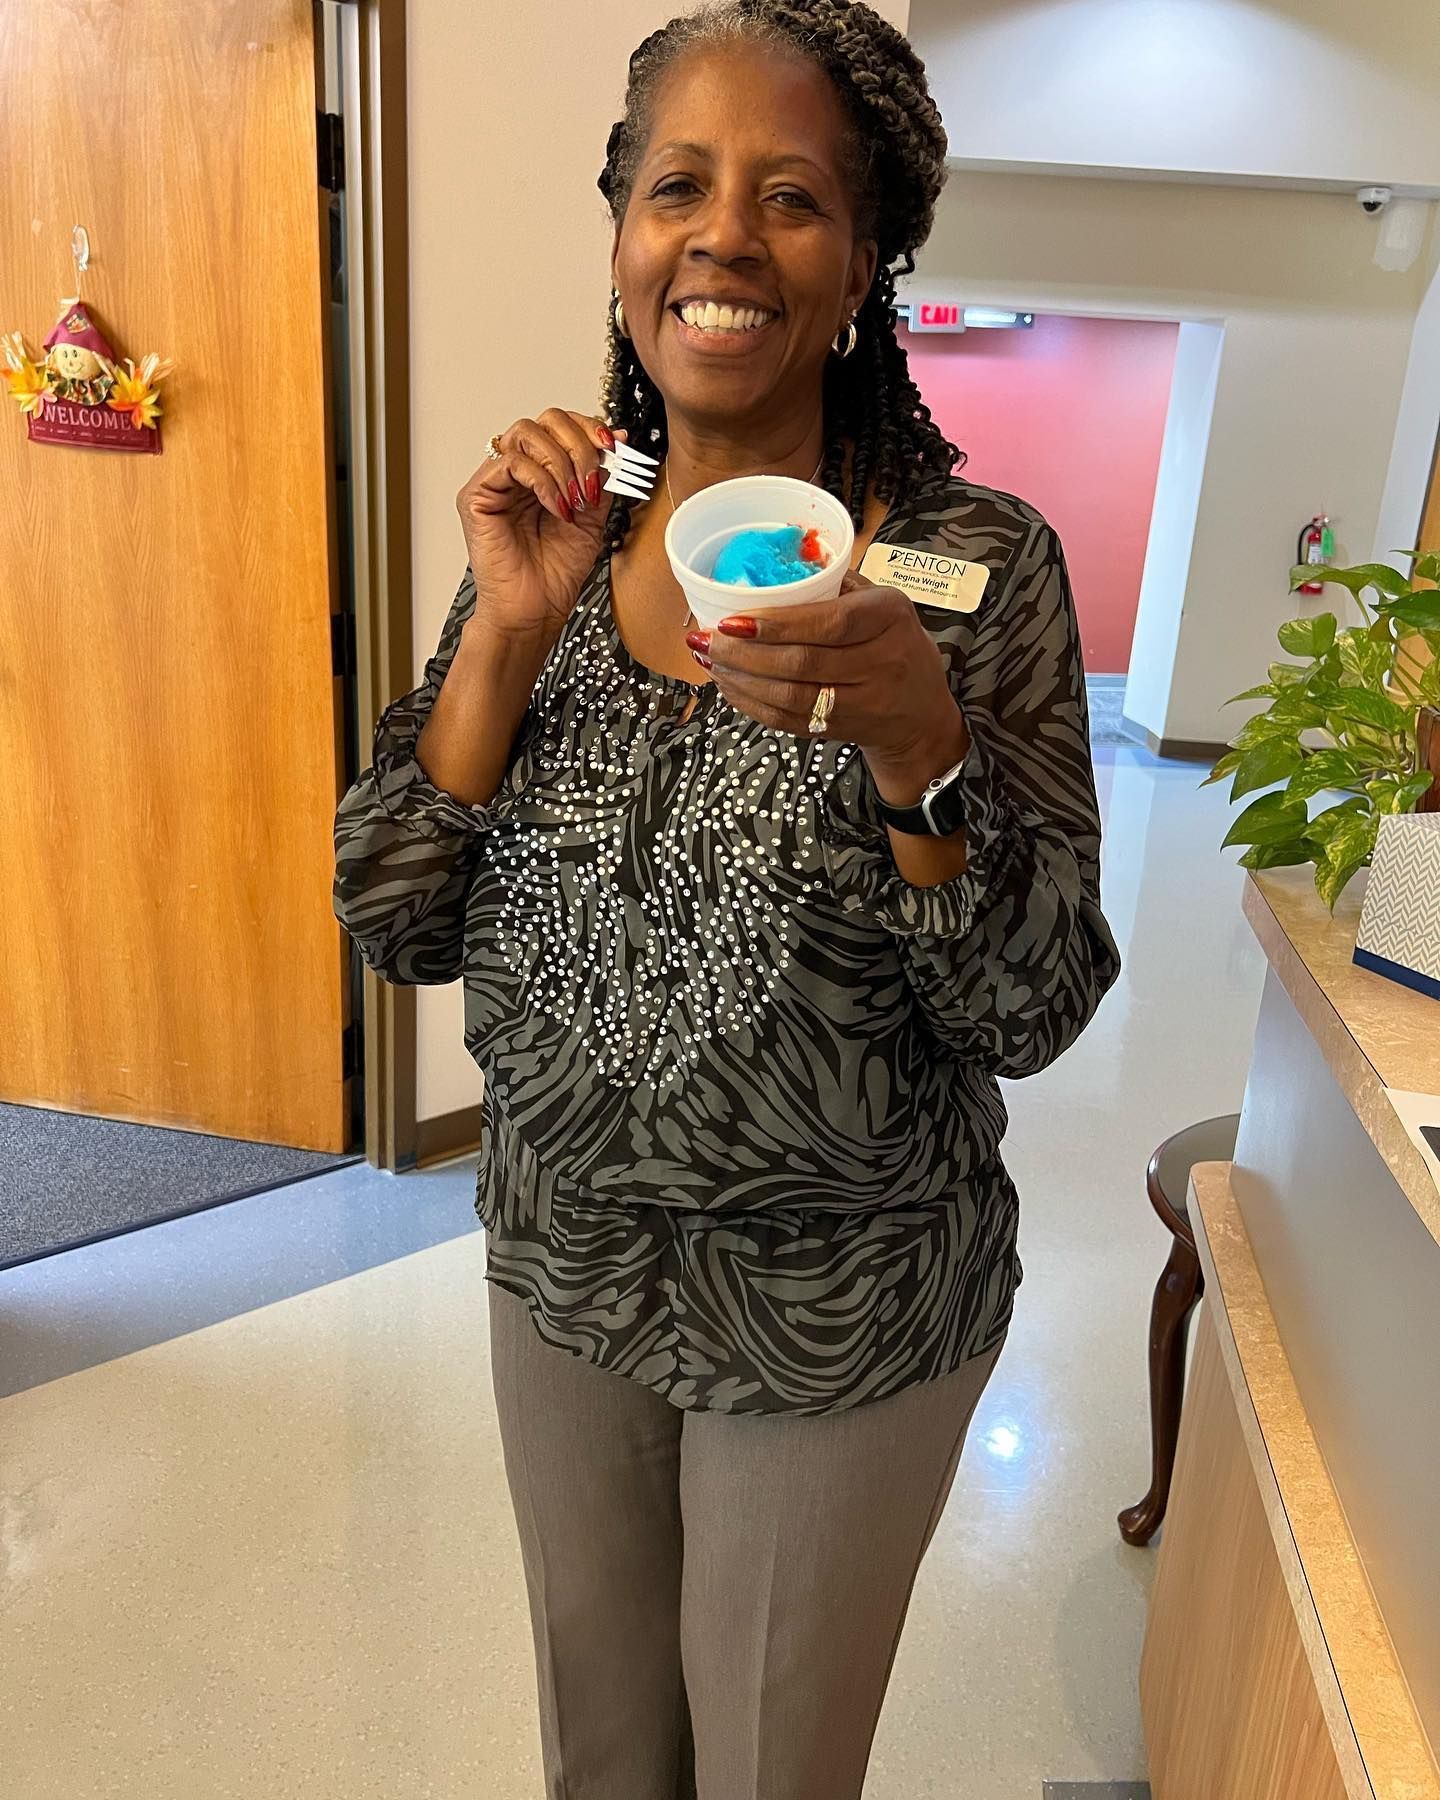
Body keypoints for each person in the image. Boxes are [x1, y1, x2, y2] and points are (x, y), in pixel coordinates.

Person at [334, 3, 1119, 1794]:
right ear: (621, 239)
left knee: (767, 1766)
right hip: (567, 1272)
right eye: (678, 185)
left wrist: (922, 757)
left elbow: (1035, 1005)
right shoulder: (555, 531)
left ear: (860, 267)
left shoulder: (965, 566)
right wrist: (506, 644)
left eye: (793, 199)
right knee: (603, 1751)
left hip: (841, 1305)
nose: (725, 237)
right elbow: (394, 918)